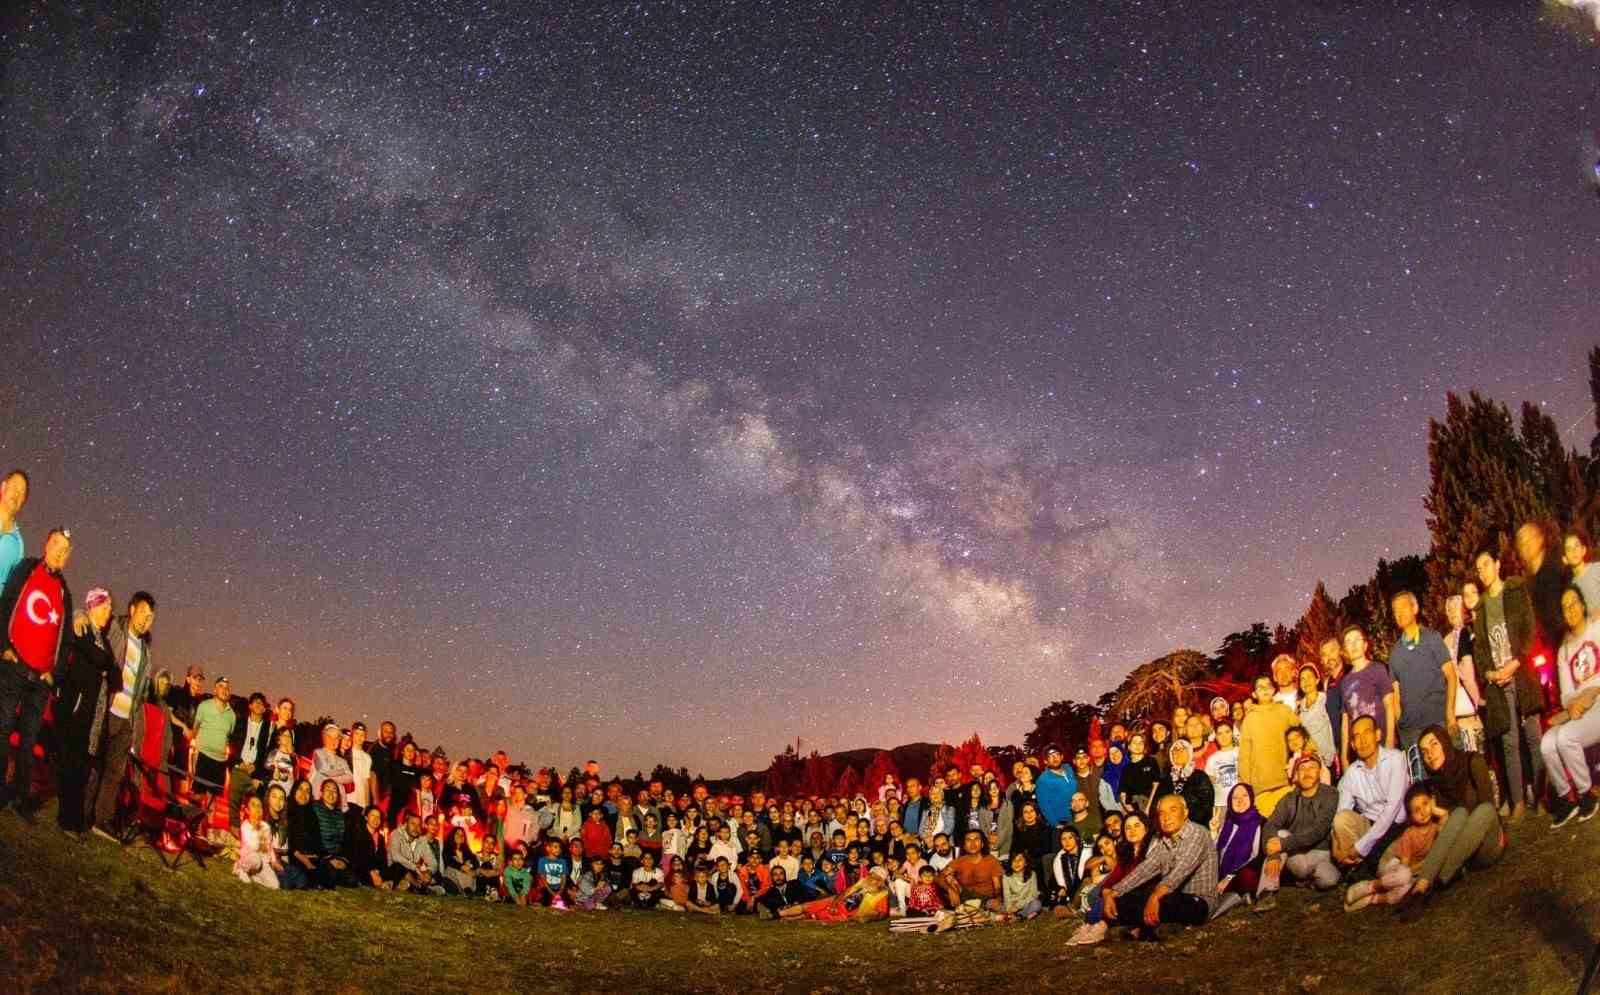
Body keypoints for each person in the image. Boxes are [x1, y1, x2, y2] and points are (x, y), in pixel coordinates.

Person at [0, 526, 74, 818]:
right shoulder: (27, 569)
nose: (59, 552)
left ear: (68, 557)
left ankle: (19, 797)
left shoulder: (64, 592)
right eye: (56, 544)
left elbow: (65, 638)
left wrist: (54, 673)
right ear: (46, 544)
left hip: (41, 680)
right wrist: (4, 645)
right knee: (3, 728)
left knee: (29, 741)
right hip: (15, 666)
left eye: (65, 550)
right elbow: (6, 603)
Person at [1077, 795, 1218, 944]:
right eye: (1161, 813)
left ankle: (1140, 929)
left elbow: (1180, 871)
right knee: (1125, 898)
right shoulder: (1165, 840)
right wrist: (1114, 892)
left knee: (1160, 901)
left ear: (1185, 813)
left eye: (1173, 810)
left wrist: (1155, 896)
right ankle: (1140, 928)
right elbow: (1145, 869)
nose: (1166, 817)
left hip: (1199, 901)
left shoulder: (1197, 834)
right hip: (1170, 895)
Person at [1471, 547, 1544, 822]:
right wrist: (1490, 674)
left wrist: (1515, 663)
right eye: (1478, 569)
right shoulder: (1479, 609)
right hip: (1498, 683)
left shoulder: (1514, 592)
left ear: (1498, 565)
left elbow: (1528, 629)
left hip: (1521, 675)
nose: (1483, 572)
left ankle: (1542, 795)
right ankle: (1518, 802)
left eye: (1486, 565)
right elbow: (1479, 650)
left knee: (1533, 737)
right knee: (1509, 742)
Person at [89, 591, 156, 838]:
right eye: (142, 614)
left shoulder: (146, 649)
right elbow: (90, 623)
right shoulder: (115, 628)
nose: (145, 621)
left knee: (114, 773)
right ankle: (84, 812)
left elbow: (143, 689)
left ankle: (101, 818)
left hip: (127, 718)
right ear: (131, 610)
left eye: (150, 617)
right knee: (95, 764)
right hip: (107, 709)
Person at [52, 586, 117, 836]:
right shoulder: (82, 627)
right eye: (105, 607)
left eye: (110, 608)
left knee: (82, 769)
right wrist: (104, 664)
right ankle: (66, 820)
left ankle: (74, 818)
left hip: (95, 716)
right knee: (72, 766)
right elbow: (99, 659)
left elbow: (115, 676)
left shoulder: (105, 639)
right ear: (92, 607)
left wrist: (106, 665)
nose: (109, 612)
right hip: (78, 708)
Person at [1414, 725, 1503, 889]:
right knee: (1459, 813)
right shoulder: (1434, 783)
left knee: (1483, 810)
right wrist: (1441, 816)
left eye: (1434, 744)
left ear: (1445, 743)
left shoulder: (1472, 761)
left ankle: (1442, 877)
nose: (1430, 754)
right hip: (1464, 857)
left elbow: (1489, 810)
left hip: (1487, 844)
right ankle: (1424, 881)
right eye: (1424, 751)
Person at [1541, 586, 1600, 826]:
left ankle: (1587, 795)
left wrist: (1589, 693)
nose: (1571, 610)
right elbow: (1565, 693)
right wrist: (1574, 704)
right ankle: (1567, 798)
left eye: (1574, 603)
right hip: (1580, 710)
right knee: (1546, 743)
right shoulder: (1564, 650)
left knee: (1565, 737)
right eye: (1565, 607)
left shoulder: (1597, 629)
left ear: (1583, 605)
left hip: (1598, 703)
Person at [1343, 782, 1445, 911]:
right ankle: (1369, 886)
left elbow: (1446, 819)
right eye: (1416, 810)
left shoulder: (1435, 827)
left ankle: (1372, 899)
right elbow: (1404, 866)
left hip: (1413, 873)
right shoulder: (1410, 834)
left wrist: (1434, 808)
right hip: (1395, 866)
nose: (1423, 812)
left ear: (1432, 801)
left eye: (1425, 804)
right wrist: (1422, 866)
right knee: (1404, 876)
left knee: (1405, 891)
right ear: (1411, 816)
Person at [1388, 591, 1457, 775]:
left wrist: (1450, 714)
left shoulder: (1432, 639)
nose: (1399, 613)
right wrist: (1400, 724)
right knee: (1421, 783)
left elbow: (1451, 676)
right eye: (1395, 610)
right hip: (1411, 730)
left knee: (1447, 775)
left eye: (1403, 607)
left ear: (1415, 608)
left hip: (1437, 721)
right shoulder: (1395, 653)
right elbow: (1396, 693)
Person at [1333, 715, 1409, 880]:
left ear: (1377, 735)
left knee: (1387, 872)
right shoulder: (1352, 772)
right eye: (1357, 736)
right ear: (1352, 744)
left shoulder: (1395, 759)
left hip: (1394, 829)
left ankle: (1365, 868)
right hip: (1368, 827)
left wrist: (1360, 847)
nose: (1362, 740)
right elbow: (1342, 810)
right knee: (1341, 819)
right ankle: (1357, 865)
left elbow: (1392, 809)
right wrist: (1336, 846)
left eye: (1367, 732)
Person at [1257, 754, 1340, 903]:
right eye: (1302, 768)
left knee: (1329, 879)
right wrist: (1274, 855)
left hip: (1320, 853)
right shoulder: (1289, 798)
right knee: (1279, 833)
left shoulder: (1330, 794)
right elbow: (1271, 824)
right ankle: (1266, 892)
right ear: (1296, 774)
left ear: (1320, 771)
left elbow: (1319, 830)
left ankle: (1309, 883)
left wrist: (1283, 844)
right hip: (1296, 857)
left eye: (1312, 768)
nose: (1307, 772)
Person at [1338, 625, 1398, 768]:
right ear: (1344, 651)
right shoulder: (1345, 682)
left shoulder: (1377, 669)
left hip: (1381, 744)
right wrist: (1344, 756)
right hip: (1361, 752)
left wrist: (1390, 740)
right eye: (1348, 641)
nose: (1353, 645)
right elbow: (1346, 721)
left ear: (1365, 645)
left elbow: (1390, 705)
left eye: (1357, 640)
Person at [1237, 674, 1297, 814]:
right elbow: (1245, 757)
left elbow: (1301, 736)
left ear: (1273, 689)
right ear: (1254, 694)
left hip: (1285, 782)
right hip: (1261, 789)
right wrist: (1246, 786)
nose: (1265, 689)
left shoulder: (1285, 711)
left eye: (1268, 685)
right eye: (1260, 687)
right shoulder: (1250, 719)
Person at [1211, 783, 1265, 918]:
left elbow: (1256, 857)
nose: (1240, 800)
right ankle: (1237, 897)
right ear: (1230, 801)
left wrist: (1230, 876)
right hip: (1222, 872)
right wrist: (1213, 832)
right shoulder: (1228, 822)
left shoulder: (1260, 822)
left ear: (1252, 798)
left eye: (1244, 796)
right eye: (1235, 798)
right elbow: (1215, 853)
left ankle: (1234, 897)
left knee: (1248, 876)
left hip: (1242, 873)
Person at [1442, 594, 1485, 752]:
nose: (1452, 612)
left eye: (1455, 608)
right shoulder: (1446, 640)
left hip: (1473, 698)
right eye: (1449, 609)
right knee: (1465, 752)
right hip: (1456, 702)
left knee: (1479, 752)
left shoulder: (1471, 631)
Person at [1518, 522, 1567, 655]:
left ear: (1540, 539)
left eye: (1529, 538)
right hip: (1557, 648)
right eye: (1522, 542)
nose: (1526, 544)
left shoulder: (1558, 564)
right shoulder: (1529, 585)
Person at [227, 692, 274, 828]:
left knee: (258, 802)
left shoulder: (269, 728)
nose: (259, 705)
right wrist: (239, 762)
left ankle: (254, 832)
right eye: (256, 702)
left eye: (262, 704)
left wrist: (257, 769)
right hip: (239, 767)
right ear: (250, 706)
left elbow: (267, 753)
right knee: (234, 800)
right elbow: (233, 743)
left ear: (265, 708)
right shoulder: (240, 721)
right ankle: (234, 831)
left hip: (255, 772)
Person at [190, 676, 237, 801]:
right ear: (215, 690)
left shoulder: (232, 715)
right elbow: (195, 729)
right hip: (203, 756)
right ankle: (194, 819)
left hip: (220, 761)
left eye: (227, 688)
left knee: (213, 800)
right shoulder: (204, 706)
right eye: (221, 686)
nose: (224, 690)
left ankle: (208, 821)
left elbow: (229, 736)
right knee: (198, 795)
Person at [1153, 739, 1213, 828]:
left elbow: (1206, 806)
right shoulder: (1166, 779)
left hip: (1194, 826)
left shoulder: (1200, 776)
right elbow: (1157, 805)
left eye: (1182, 749)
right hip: (1168, 826)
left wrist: (1183, 822)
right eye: (1174, 750)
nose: (1178, 753)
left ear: (1189, 753)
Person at [233, 794, 282, 889]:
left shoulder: (266, 827)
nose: (257, 808)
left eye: (259, 806)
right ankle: (241, 869)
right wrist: (257, 831)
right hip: (250, 858)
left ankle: (254, 876)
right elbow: (251, 847)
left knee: (275, 885)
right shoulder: (245, 826)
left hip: (263, 863)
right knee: (256, 859)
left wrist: (274, 861)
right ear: (247, 810)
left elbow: (269, 846)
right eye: (253, 805)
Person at [1295, 664, 1337, 765]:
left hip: (1327, 761)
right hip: (1309, 761)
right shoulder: (1298, 709)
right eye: (1302, 679)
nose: (1306, 681)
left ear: (1317, 680)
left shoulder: (1326, 700)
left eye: (1309, 677)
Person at [309, 722, 355, 811]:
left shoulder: (342, 760)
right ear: (324, 738)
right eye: (330, 737)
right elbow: (324, 770)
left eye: (336, 738)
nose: (333, 740)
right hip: (318, 800)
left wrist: (332, 777)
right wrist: (341, 771)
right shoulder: (318, 753)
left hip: (337, 804)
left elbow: (350, 777)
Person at [1118, 732, 1162, 814]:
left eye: (1141, 742)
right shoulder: (1126, 768)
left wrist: (1148, 808)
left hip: (1151, 803)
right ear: (1129, 746)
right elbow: (1123, 793)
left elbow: (1156, 785)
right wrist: (1133, 812)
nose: (1138, 745)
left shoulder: (1151, 761)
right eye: (1134, 743)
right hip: (1133, 806)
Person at [1034, 745, 1077, 827]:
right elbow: (1044, 805)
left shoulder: (1069, 769)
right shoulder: (1043, 780)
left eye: (1057, 755)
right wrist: (1055, 824)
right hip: (1062, 822)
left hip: (1078, 816)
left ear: (1062, 757)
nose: (1054, 758)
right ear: (1045, 761)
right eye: (1050, 756)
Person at [0, 470, 29, 585]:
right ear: (3, 487)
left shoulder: (18, 545)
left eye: (22, 492)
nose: (17, 493)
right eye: (14, 486)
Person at [1564, 530, 1600, 619]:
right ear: (1565, 559)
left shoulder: (1597, 569)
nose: (1573, 551)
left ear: (1583, 550)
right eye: (1569, 549)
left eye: (1576, 546)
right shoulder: (1571, 588)